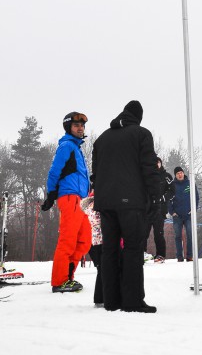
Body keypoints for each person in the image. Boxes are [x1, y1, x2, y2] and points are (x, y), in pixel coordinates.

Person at [92, 100, 160, 313]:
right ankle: (132, 301)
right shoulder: (141, 134)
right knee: (133, 249)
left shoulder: (102, 138)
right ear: (138, 117)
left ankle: (111, 301)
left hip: (105, 203)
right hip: (131, 202)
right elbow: (148, 167)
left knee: (109, 250)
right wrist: (155, 196)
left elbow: (95, 173)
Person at [42, 112, 91, 293]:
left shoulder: (76, 149)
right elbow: (54, 171)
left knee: (84, 240)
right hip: (68, 198)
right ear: (68, 128)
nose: (80, 128)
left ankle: (68, 276)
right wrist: (51, 194)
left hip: (79, 201)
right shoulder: (67, 146)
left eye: (82, 126)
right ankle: (59, 281)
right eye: (76, 125)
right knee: (67, 241)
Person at [144, 157, 173, 263]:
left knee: (158, 233)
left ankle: (160, 255)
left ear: (161, 163)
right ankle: (142, 253)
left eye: (158, 162)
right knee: (144, 232)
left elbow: (172, 190)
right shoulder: (147, 176)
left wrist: (164, 198)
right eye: (154, 162)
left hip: (160, 210)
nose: (156, 164)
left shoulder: (166, 176)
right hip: (147, 209)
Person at [168, 166, 199, 262]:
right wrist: (172, 212)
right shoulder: (172, 185)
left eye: (181, 172)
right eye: (177, 173)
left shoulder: (190, 184)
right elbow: (168, 200)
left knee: (190, 235)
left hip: (188, 215)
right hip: (177, 216)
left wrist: (193, 210)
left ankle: (189, 256)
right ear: (175, 175)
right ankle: (179, 257)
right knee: (178, 236)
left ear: (183, 173)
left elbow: (196, 198)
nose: (180, 174)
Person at [80, 189, 103, 305]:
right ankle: (100, 298)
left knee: (102, 269)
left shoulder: (88, 206)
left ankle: (100, 298)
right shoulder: (96, 205)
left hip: (93, 243)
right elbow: (98, 222)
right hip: (98, 242)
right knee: (103, 269)